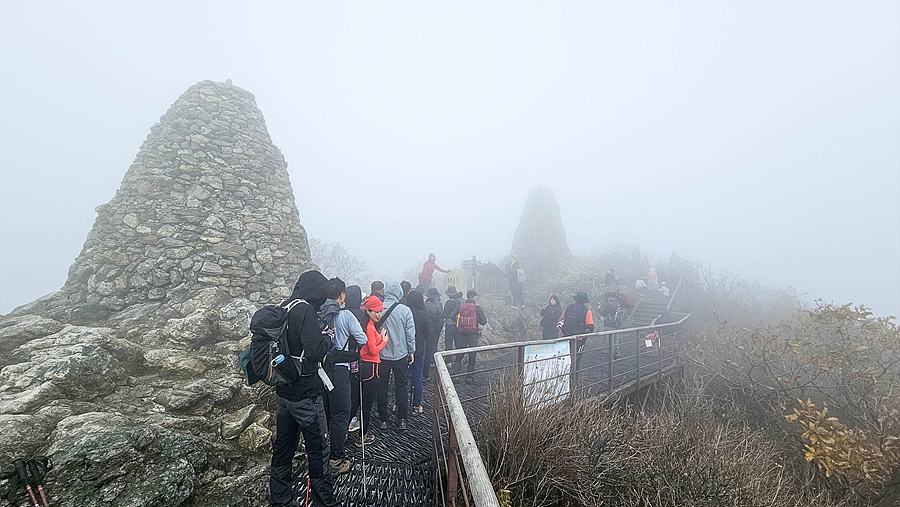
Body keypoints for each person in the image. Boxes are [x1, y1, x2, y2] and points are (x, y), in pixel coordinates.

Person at [268, 270, 337, 507]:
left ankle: (281, 499)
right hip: (306, 394)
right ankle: (324, 503)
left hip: (284, 393)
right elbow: (315, 351)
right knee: (318, 449)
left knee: (284, 447)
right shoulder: (305, 310)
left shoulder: (284, 306)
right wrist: (327, 338)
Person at [320, 278, 367, 475]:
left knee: (325, 414)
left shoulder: (319, 312)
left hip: (321, 370)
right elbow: (362, 339)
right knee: (341, 415)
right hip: (340, 370)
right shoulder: (346, 315)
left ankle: (320, 454)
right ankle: (336, 460)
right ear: (342, 295)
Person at [377, 281, 416, 430]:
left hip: (381, 354)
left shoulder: (378, 308)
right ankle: (402, 419)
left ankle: (383, 420)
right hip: (400, 355)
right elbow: (410, 334)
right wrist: (411, 351)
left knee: (382, 387)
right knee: (401, 386)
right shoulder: (405, 310)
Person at [356, 295, 389, 447]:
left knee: (361, 402)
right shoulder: (369, 327)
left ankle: (358, 432)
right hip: (372, 368)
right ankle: (362, 436)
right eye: (375, 311)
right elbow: (373, 349)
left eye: (380, 311)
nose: (378, 314)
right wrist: (384, 341)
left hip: (365, 366)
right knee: (367, 404)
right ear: (368, 311)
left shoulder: (366, 324)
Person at [451, 290, 487, 384]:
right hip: (473, 335)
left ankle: (455, 375)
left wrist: (459, 322)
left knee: (459, 354)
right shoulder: (477, 307)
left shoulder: (461, 306)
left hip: (461, 334)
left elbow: (451, 315)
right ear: (474, 297)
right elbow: (484, 321)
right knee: (472, 354)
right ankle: (469, 376)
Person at [344, 285, 365, 435]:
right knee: (356, 392)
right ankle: (351, 418)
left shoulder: (340, 313)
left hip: (342, 359)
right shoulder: (363, 315)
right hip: (358, 359)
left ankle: (343, 419)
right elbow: (363, 339)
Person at [406, 290, 429, 414]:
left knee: (403, 378)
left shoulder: (405, 311)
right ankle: (416, 404)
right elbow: (429, 333)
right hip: (419, 348)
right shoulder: (424, 314)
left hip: (404, 350)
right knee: (418, 377)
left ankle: (400, 404)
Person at [559, 292, 594, 370]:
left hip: (566, 336)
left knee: (566, 356)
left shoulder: (569, 307)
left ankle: (564, 375)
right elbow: (590, 326)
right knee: (576, 358)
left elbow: (563, 318)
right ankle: (575, 376)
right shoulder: (586, 311)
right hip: (579, 338)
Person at [423, 287, 444, 380]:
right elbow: (440, 321)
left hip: (423, 331)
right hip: (433, 331)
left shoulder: (423, 305)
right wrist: (437, 331)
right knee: (429, 351)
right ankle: (426, 372)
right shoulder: (438, 306)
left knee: (422, 350)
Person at [442, 285, 462, 353]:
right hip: (457, 324)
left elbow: (445, 314)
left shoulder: (449, 302)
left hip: (450, 325)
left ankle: (448, 360)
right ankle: (457, 360)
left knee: (448, 342)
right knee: (458, 343)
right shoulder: (458, 302)